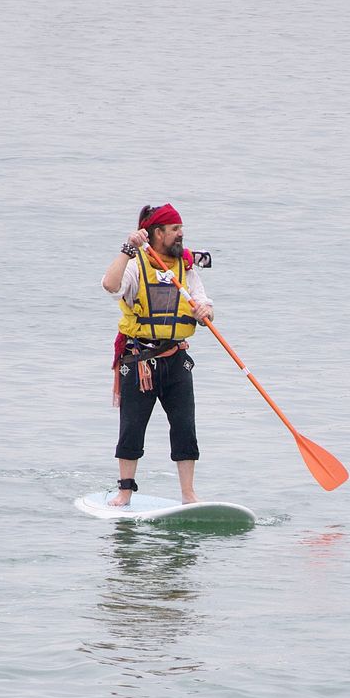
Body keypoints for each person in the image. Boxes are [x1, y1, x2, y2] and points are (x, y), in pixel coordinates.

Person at [100, 204, 213, 506]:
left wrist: (205, 311)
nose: (181, 234)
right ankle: (125, 492)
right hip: (139, 361)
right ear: (157, 233)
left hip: (177, 359)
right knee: (132, 428)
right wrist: (127, 248)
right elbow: (110, 285)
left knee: (185, 428)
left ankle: (188, 495)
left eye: (181, 229)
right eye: (175, 229)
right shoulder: (136, 265)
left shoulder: (184, 268)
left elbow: (203, 306)